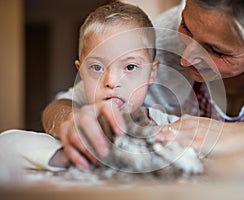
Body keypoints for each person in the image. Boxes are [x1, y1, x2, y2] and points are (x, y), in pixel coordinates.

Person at [42, 0, 244, 169]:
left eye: (215, 51)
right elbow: (63, 104)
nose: (185, 58)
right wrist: (73, 123)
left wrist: (234, 135)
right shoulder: (155, 40)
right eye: (186, 27)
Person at [0, 1, 179, 171]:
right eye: (97, 67)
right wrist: (66, 156)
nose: (112, 81)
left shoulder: (166, 126)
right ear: (81, 73)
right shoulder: (77, 131)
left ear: (152, 73)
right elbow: (6, 143)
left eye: (130, 67)